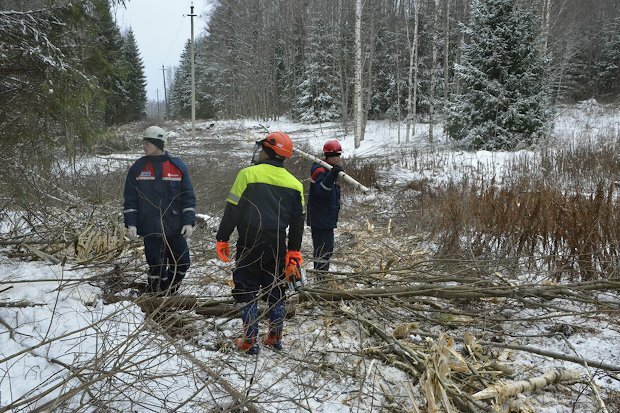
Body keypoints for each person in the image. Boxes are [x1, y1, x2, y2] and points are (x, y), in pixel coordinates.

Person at [215, 132, 304, 354]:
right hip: (277, 244)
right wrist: (293, 251)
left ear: (268, 151)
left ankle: (250, 340)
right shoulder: (295, 184)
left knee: (246, 288)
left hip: (249, 242)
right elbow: (298, 222)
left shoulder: (247, 175)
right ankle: (275, 337)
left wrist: (222, 237)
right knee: (276, 289)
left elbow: (232, 210)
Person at [123, 126, 196, 296]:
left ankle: (170, 291)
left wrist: (188, 221)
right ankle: (156, 297)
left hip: (175, 227)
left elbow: (188, 198)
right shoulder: (138, 168)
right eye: (144, 143)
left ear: (158, 144)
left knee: (183, 263)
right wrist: (131, 223)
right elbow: (130, 199)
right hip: (150, 228)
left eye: (147, 143)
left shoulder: (177, 167)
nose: (144, 146)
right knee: (157, 267)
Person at [307, 140, 343, 275]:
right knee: (323, 250)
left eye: (338, 155)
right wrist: (332, 175)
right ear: (327, 156)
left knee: (327, 249)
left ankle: (322, 274)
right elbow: (321, 191)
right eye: (334, 156)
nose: (337, 158)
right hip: (320, 218)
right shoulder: (320, 170)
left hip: (326, 218)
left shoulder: (328, 169)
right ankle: (321, 278)